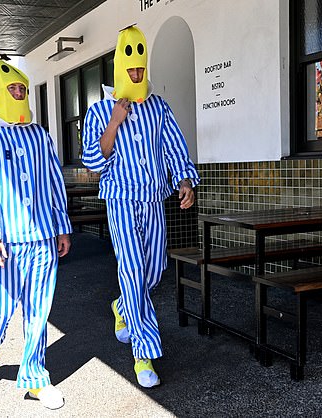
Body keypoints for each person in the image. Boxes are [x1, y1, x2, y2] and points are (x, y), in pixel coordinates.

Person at [82, 25, 200, 388]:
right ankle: (143, 352)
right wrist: (115, 123)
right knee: (132, 270)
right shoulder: (100, 110)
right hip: (120, 199)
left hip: (153, 199)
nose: (136, 74)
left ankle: (122, 307)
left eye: (140, 68)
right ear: (120, 67)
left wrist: (183, 181)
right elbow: (92, 161)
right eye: (130, 69)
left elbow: (174, 146)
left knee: (153, 269)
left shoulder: (158, 107)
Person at [0, 58, 72, 410]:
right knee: (1, 306)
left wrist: (62, 227)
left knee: (39, 311)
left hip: (42, 236)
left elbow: (55, 181)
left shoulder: (39, 134)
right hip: (6, 240)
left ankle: (35, 376)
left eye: (22, 89)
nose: (18, 93)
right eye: (12, 88)